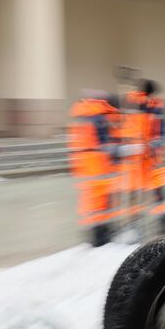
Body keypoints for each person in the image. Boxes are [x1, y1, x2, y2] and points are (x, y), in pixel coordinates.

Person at [68, 93, 121, 245]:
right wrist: (121, 151)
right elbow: (106, 144)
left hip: (85, 166)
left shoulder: (85, 114)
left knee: (92, 203)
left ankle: (96, 235)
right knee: (102, 203)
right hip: (99, 166)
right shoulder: (100, 118)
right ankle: (101, 238)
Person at [126, 79, 165, 226]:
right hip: (137, 160)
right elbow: (124, 131)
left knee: (159, 191)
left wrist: (155, 143)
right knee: (136, 192)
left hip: (154, 158)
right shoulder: (132, 106)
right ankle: (135, 223)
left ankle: (164, 221)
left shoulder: (159, 107)